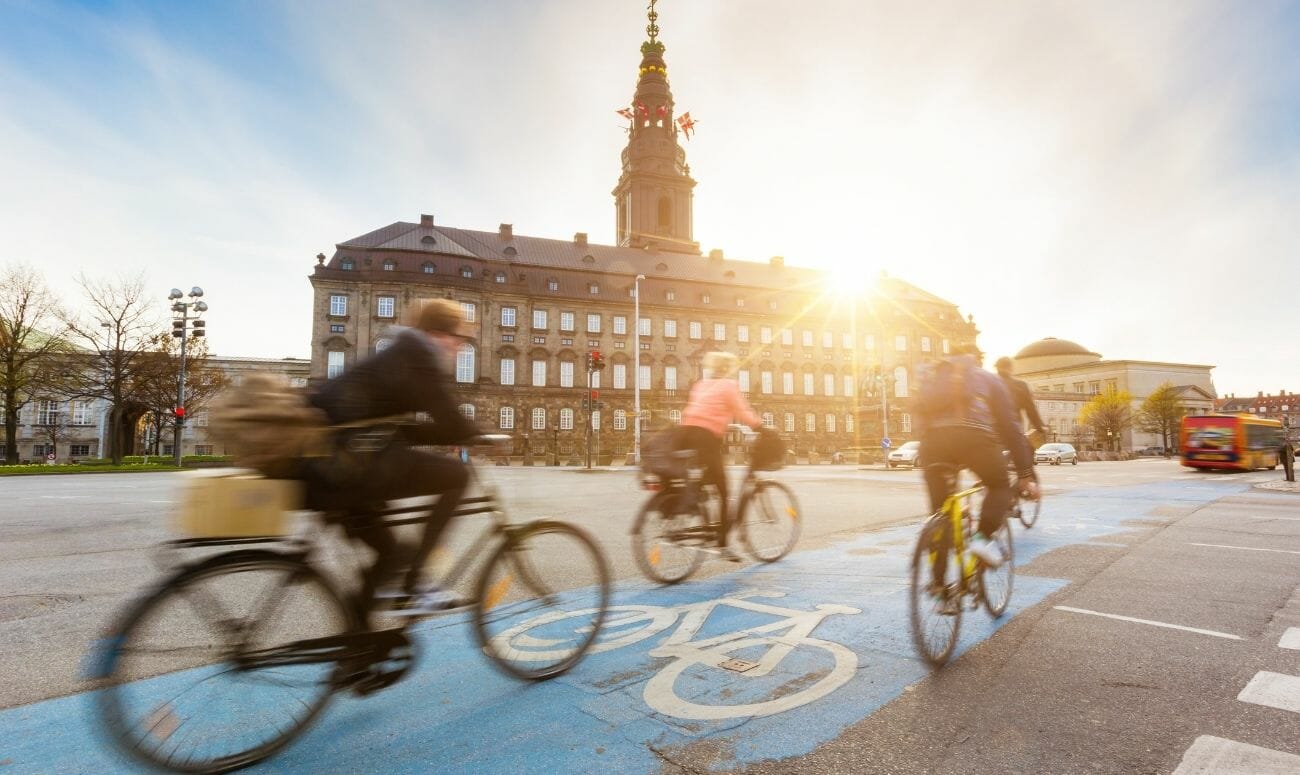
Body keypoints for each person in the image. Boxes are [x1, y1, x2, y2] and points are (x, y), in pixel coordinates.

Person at [305, 299, 480, 628]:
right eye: (458, 338)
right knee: (456, 474)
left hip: (332, 466)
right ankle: (416, 584)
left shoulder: (401, 353)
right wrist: (478, 434)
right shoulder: (418, 356)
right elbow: (450, 422)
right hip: (347, 466)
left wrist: (457, 432)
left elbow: (402, 429)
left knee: (390, 556)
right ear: (437, 333)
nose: (459, 347)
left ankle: (357, 650)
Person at [915, 346, 1039, 570]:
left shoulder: (933, 375)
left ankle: (940, 593)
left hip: (932, 443)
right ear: (976, 359)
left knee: (940, 514)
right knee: (999, 485)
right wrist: (1024, 473)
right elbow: (1010, 428)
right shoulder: (988, 379)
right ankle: (982, 539)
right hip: (974, 439)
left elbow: (919, 412)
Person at [678, 351, 762, 561]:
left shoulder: (700, 384)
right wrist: (761, 427)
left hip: (687, 435)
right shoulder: (728, 385)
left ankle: (693, 501)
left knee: (705, 481)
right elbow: (742, 412)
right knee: (724, 492)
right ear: (727, 368)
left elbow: (691, 411)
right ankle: (723, 545)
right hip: (707, 439)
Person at [994, 356, 1048, 449]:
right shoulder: (1020, 385)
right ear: (1011, 368)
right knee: (1024, 460)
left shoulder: (989, 382)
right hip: (1012, 430)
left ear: (997, 367)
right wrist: (1040, 427)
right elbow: (1031, 409)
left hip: (991, 430)